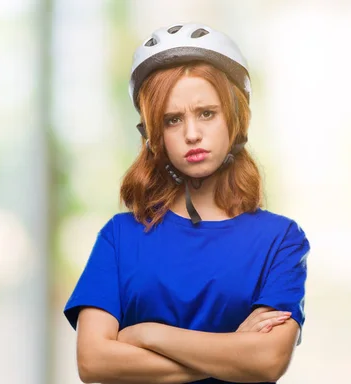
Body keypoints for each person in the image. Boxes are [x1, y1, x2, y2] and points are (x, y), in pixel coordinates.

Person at [63, 22, 310, 384]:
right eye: (172, 120)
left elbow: (268, 360)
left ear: (235, 118)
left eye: (206, 113)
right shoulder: (119, 236)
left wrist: (147, 334)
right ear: (153, 135)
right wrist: (232, 350)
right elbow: (93, 362)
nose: (192, 133)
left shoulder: (281, 239)